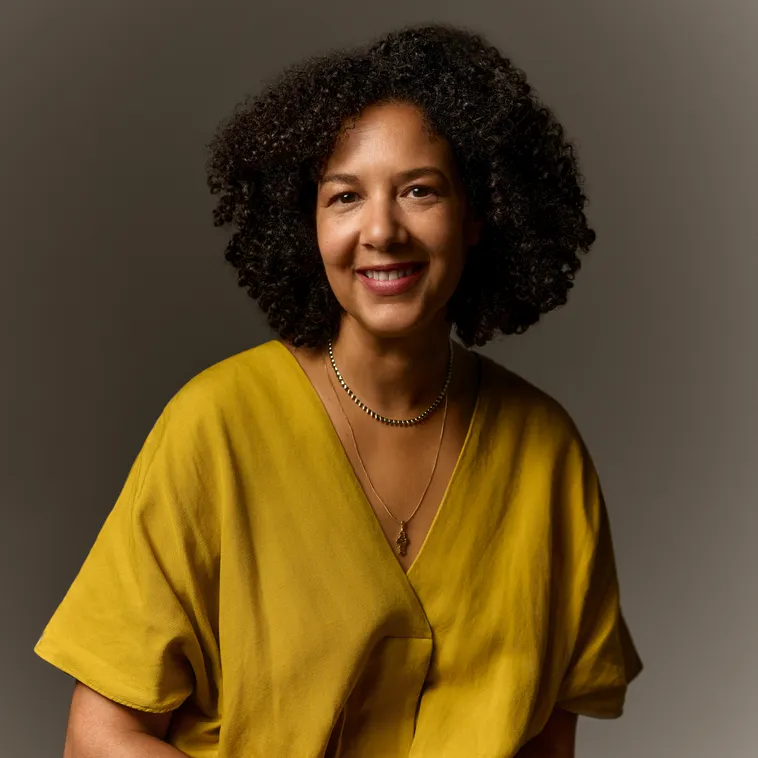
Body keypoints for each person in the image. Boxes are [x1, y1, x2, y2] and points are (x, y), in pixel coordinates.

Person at [35, 22, 642, 758]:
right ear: (307, 225)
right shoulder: (214, 427)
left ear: (480, 215)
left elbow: (549, 740)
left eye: (420, 190)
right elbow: (99, 736)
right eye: (345, 197)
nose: (381, 230)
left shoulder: (548, 455)